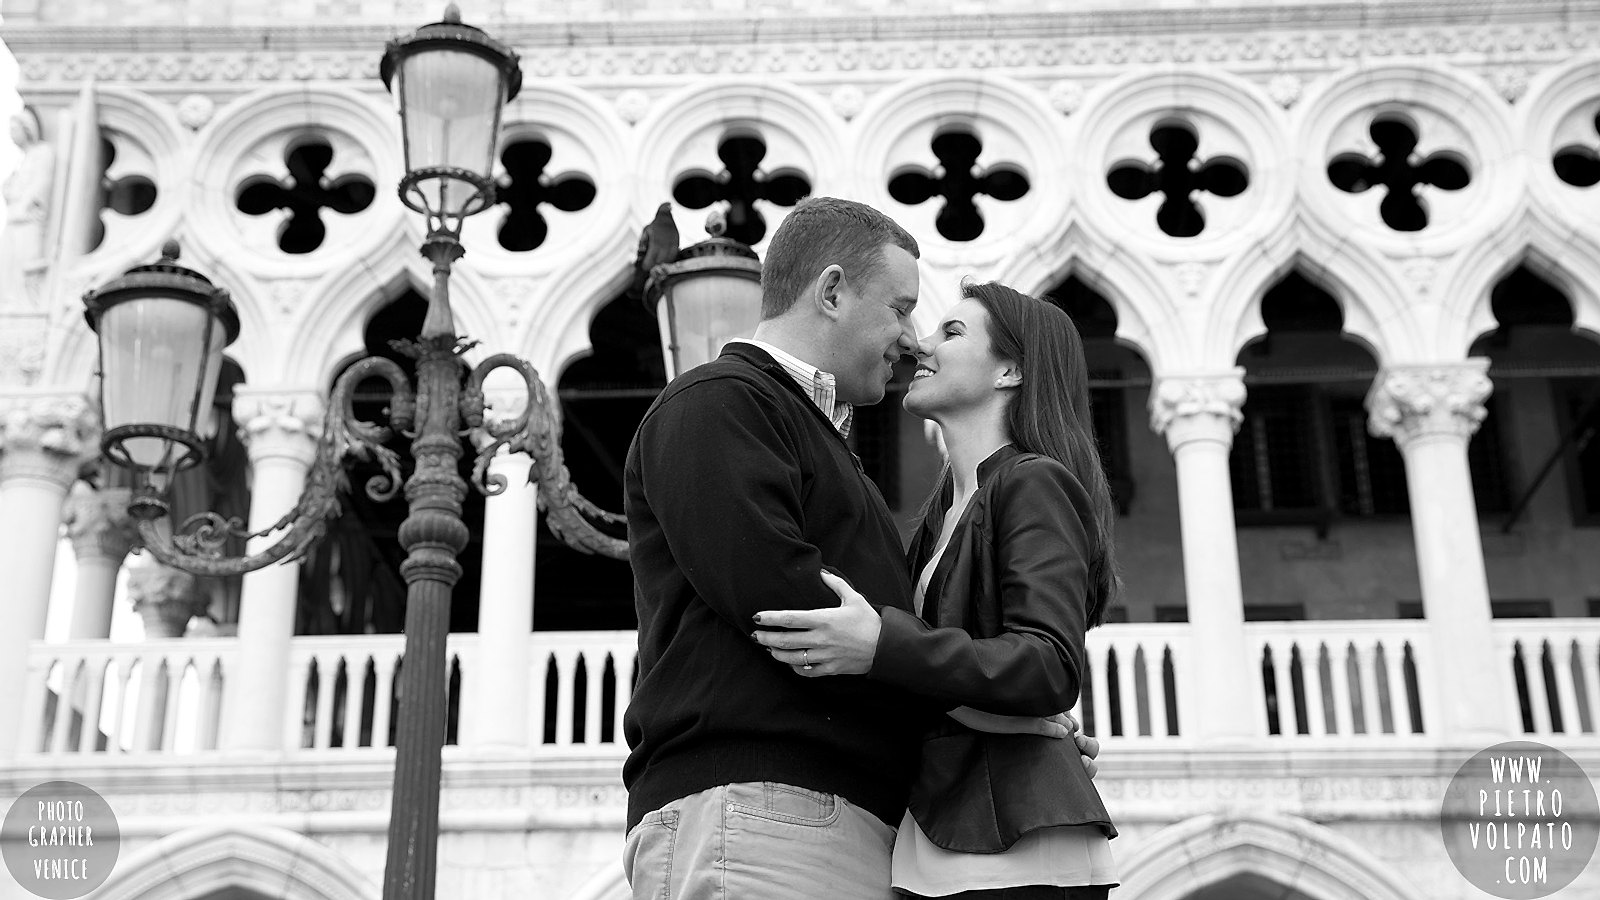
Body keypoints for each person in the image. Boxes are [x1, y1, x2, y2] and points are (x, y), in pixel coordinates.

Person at [622, 199, 1088, 900]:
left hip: (821, 820)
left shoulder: (828, 448)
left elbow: (870, 637)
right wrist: (991, 705)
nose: (912, 339)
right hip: (767, 810)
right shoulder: (719, 402)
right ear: (833, 291)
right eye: (901, 308)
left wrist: (1004, 713)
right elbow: (788, 606)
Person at [753, 281, 1121, 899]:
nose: (920, 344)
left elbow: (1049, 664)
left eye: (951, 333)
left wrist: (882, 646)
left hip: (1013, 837)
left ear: (1010, 370)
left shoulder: (1033, 484)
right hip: (949, 825)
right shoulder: (940, 514)